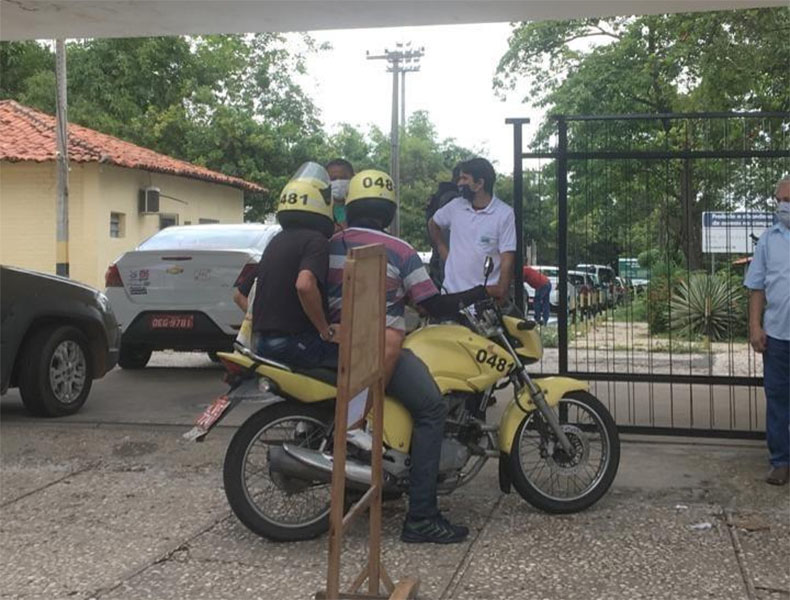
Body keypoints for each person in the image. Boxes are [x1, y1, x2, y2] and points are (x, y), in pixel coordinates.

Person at [327, 169, 486, 544]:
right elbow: (429, 301)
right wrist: (474, 295)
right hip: (377, 349)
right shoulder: (400, 250)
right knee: (432, 409)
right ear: (388, 209)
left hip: (332, 346)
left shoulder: (333, 243)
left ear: (351, 204)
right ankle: (422, 517)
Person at [233, 163, 338, 369]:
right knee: (357, 364)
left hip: (261, 343)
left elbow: (239, 295)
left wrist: (268, 321)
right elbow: (304, 285)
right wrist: (325, 330)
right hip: (295, 343)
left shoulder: (276, 241)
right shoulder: (316, 241)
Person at [744, 175, 790, 486]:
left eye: (789, 201)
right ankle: (780, 463)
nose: (783, 206)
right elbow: (757, 287)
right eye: (780, 201)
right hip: (777, 336)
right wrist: (755, 325)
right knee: (776, 399)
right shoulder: (768, 241)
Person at [427, 157, 516, 304]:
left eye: (464, 178)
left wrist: (501, 290)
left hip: (484, 301)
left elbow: (507, 258)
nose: (459, 183)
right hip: (451, 297)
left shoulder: (504, 214)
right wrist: (443, 250)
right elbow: (433, 223)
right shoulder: (455, 207)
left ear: (479, 183)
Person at [425, 164, 461, 288]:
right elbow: (446, 238)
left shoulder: (439, 196)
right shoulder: (452, 199)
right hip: (446, 268)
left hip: (439, 263)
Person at [326, 158, 355, 232]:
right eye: (333, 179)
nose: (338, 182)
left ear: (353, 178)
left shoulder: (360, 206)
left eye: (343, 178)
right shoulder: (321, 207)